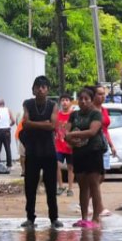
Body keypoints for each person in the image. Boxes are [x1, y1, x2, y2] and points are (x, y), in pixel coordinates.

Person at [17, 75, 62, 229]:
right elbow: (25, 123)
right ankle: (30, 217)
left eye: (44, 87)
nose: (41, 90)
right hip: (32, 151)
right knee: (30, 187)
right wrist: (44, 123)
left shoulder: (53, 105)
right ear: (33, 90)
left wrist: (34, 124)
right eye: (38, 87)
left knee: (51, 187)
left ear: (48, 90)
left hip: (49, 151)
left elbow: (52, 126)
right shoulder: (28, 104)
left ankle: (54, 218)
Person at [65, 85, 106, 228]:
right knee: (82, 186)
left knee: (94, 185)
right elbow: (66, 132)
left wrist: (73, 135)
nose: (83, 101)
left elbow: (92, 131)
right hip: (79, 153)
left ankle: (96, 218)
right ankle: (84, 217)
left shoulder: (96, 114)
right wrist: (70, 139)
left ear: (91, 100)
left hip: (93, 151)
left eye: (86, 99)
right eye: (80, 98)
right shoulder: (74, 115)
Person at [54, 93, 75, 195]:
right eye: (62, 100)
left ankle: (70, 189)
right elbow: (54, 128)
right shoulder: (57, 115)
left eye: (67, 100)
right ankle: (61, 186)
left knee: (71, 168)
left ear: (70, 102)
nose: (64, 102)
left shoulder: (74, 115)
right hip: (59, 145)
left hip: (70, 146)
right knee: (56, 165)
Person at [0, 97, 14, 170]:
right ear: (3, 104)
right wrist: (9, 125)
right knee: (7, 148)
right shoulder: (8, 110)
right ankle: (9, 165)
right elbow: (13, 121)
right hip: (6, 130)